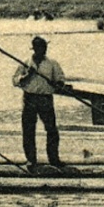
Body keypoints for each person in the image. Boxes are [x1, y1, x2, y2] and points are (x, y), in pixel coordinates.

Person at [15, 36, 68, 171]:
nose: (43, 50)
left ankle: (54, 159)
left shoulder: (52, 63)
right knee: (28, 130)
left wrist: (57, 84)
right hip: (29, 99)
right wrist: (28, 75)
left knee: (51, 130)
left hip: (46, 99)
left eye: (45, 48)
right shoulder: (25, 63)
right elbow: (15, 81)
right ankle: (31, 160)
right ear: (35, 49)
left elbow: (61, 78)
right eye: (40, 48)